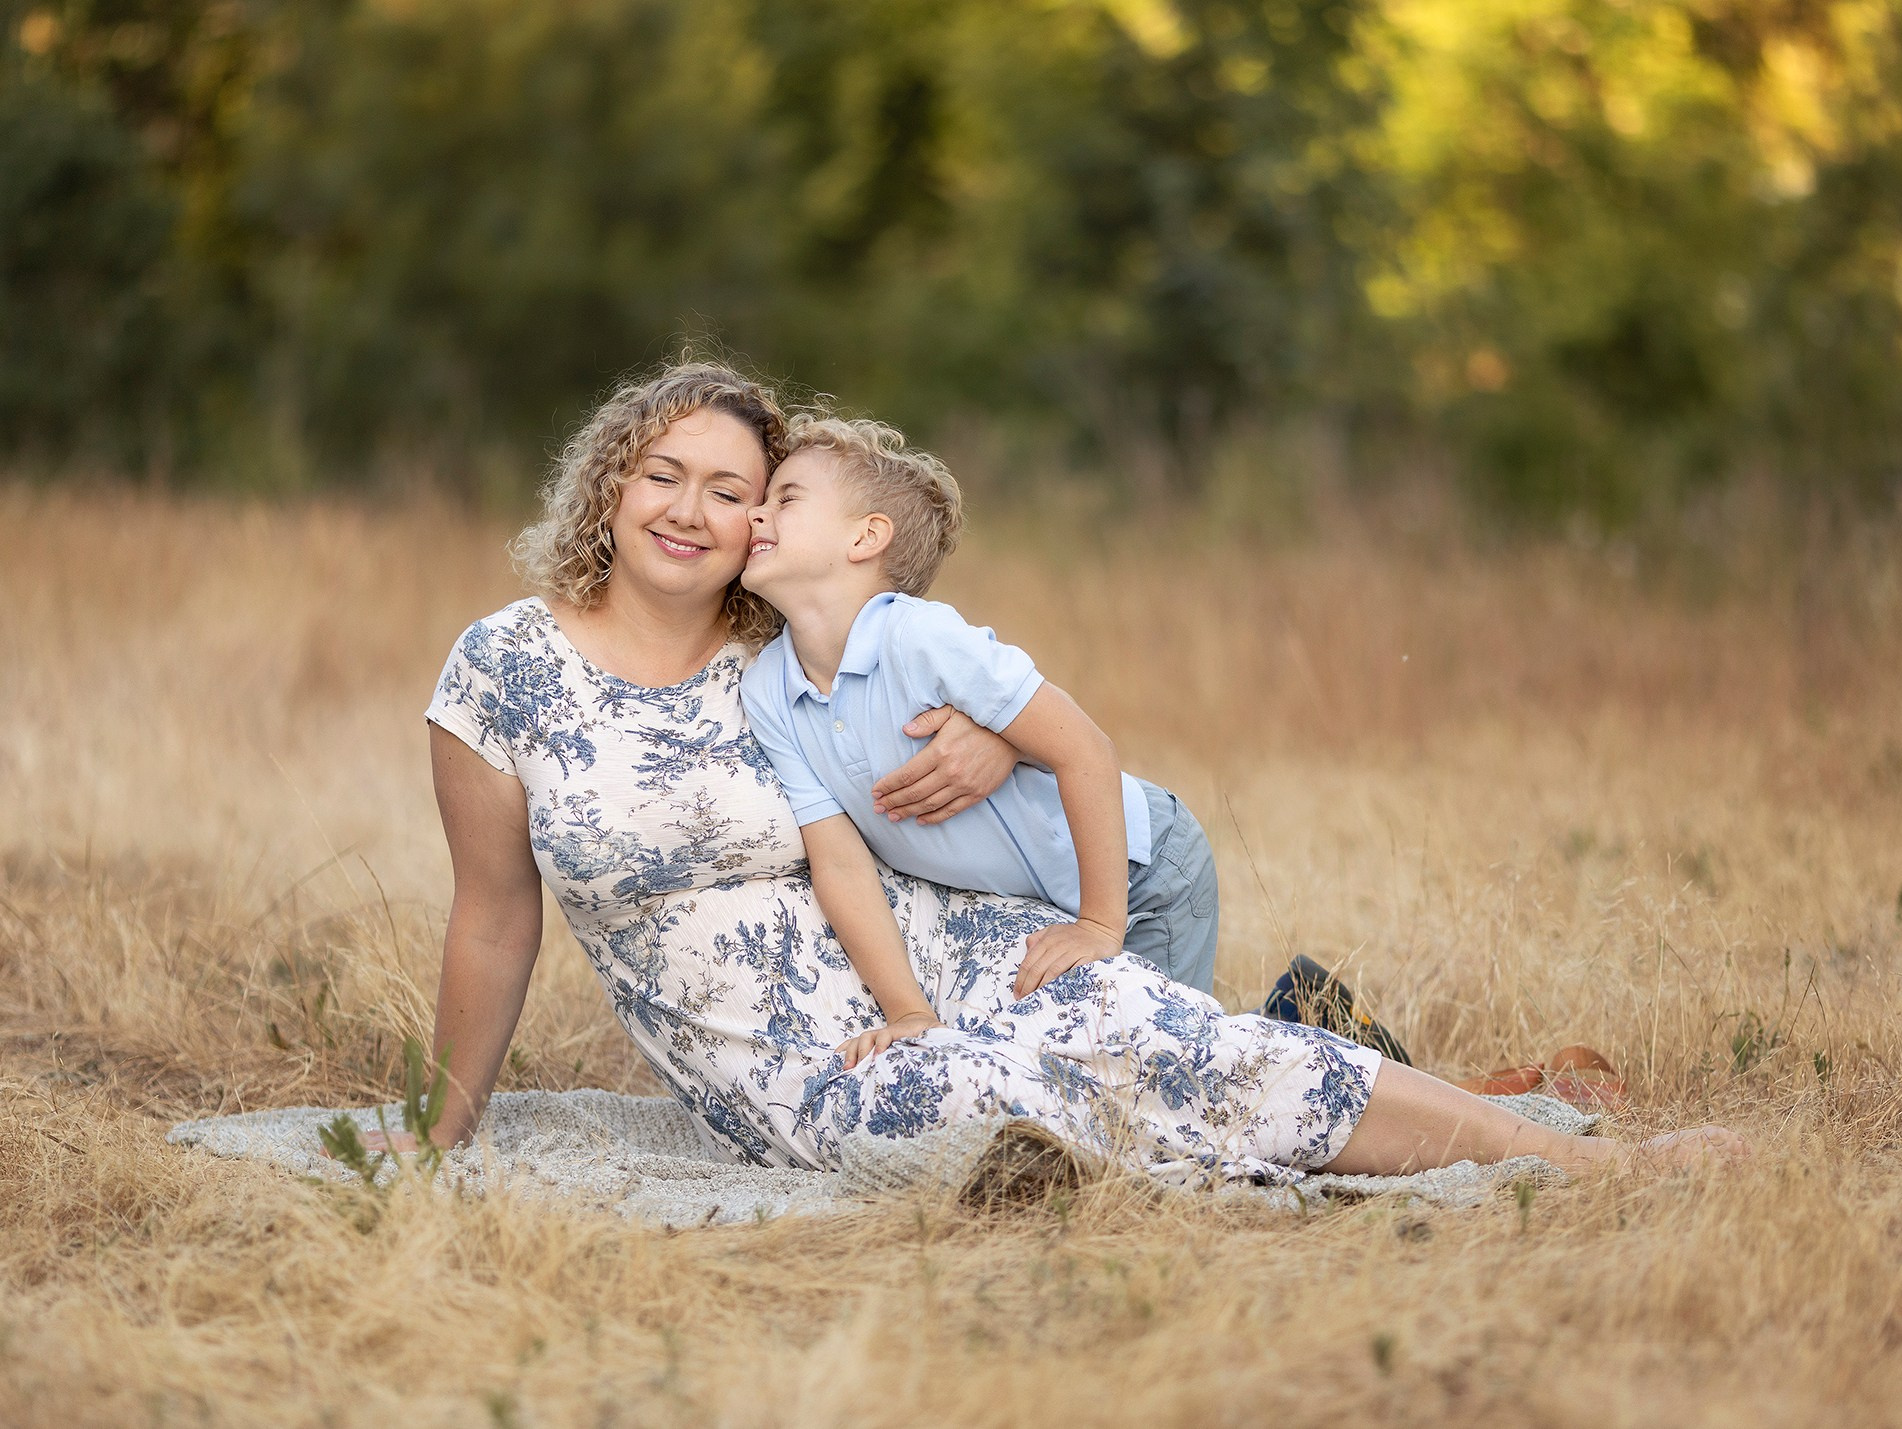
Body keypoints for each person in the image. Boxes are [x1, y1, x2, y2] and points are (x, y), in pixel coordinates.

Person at [379, 356, 1744, 1185]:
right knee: (1018, 1095)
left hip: (938, 942)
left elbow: (927, 664)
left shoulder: (779, 648)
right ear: (610, 484)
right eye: (663, 474)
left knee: (1161, 1033)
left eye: (732, 488)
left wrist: (976, 741)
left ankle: (1572, 1163)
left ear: (760, 523)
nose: (691, 509)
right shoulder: (505, 668)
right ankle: (1457, 1110)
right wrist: (443, 1133)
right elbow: (497, 915)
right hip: (794, 1052)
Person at [736, 416, 1220, 1069]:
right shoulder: (769, 686)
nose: (754, 516)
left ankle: (1319, 1027)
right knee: (1089, 1079)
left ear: (865, 535)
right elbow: (841, 865)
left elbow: (1086, 749)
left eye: (784, 498)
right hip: (1034, 909)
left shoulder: (922, 640)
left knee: (1175, 1074)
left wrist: (1102, 925)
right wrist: (909, 1010)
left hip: (1142, 872)